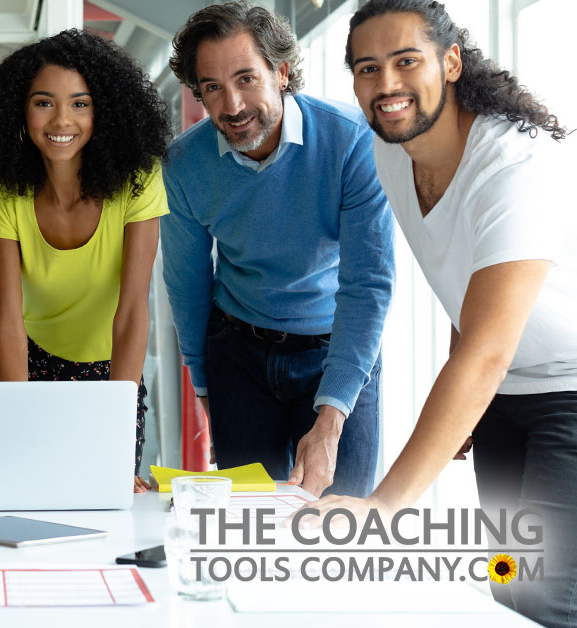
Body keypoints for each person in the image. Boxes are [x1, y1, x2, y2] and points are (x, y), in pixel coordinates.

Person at [304, 1, 577, 625]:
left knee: (549, 601)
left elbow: (487, 349)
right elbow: (466, 279)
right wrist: (470, 407)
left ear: (451, 61)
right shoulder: (391, 154)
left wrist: (382, 506)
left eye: (407, 62)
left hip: (573, 388)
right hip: (507, 396)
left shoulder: (514, 164)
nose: (387, 85)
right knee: (511, 581)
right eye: (367, 68)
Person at [161, 1, 394, 498]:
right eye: (212, 88)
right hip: (239, 356)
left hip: (337, 345)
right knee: (251, 529)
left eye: (246, 79)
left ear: (281, 72)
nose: (232, 105)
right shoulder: (184, 165)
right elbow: (187, 285)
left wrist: (331, 420)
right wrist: (207, 389)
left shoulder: (353, 142)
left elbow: (367, 284)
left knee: (341, 524)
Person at [0, 29, 172, 492]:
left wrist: (116, 427)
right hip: (33, 364)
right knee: (27, 487)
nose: (61, 119)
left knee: (108, 493)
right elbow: (8, 323)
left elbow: (134, 312)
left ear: (104, 110)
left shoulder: (139, 180)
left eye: (80, 103)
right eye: (43, 102)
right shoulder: (5, 190)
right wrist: (15, 423)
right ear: (20, 109)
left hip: (113, 371)